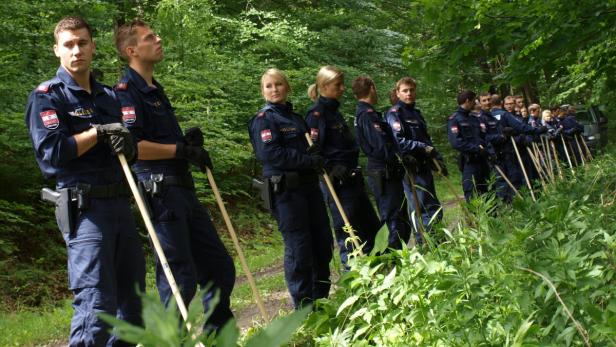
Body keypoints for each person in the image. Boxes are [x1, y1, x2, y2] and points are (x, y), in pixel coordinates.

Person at [25, 16, 145, 346]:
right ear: (57, 51)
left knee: (132, 308)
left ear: (93, 46)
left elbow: (125, 151)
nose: (76, 50)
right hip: (86, 210)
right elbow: (52, 152)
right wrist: (97, 133)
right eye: (69, 45)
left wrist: (128, 146)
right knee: (97, 307)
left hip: (121, 205)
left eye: (82, 43)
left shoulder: (108, 96)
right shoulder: (49, 97)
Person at [113, 20, 235, 330]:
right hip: (160, 194)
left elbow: (164, 141)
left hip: (184, 191)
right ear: (131, 50)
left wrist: (187, 146)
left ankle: (217, 335)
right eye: (149, 37)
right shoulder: (126, 92)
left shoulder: (155, 89)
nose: (158, 39)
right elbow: (134, 147)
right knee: (179, 277)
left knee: (219, 267)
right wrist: (180, 151)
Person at [248, 68, 332, 308]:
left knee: (322, 243)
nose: (274, 89)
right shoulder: (264, 119)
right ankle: (304, 308)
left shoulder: (296, 118)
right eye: (269, 86)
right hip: (286, 193)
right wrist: (308, 160)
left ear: (287, 87)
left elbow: (309, 148)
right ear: (263, 91)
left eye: (278, 84)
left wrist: (315, 154)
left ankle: (321, 302)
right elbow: (271, 154)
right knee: (300, 249)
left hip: (309, 189)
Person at [305, 66, 380, 265]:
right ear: (324, 86)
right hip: (337, 184)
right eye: (338, 85)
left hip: (353, 180)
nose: (343, 88)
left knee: (372, 228)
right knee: (350, 235)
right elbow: (314, 151)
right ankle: (356, 283)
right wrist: (331, 168)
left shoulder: (335, 112)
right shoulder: (316, 115)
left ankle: (378, 276)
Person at [352, 76, 409, 249]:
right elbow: (380, 145)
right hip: (383, 171)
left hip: (386, 170)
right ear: (372, 88)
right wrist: (396, 159)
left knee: (398, 214)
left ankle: (399, 255)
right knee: (392, 217)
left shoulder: (368, 113)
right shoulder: (367, 115)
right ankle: (392, 258)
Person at [385, 77, 444, 235]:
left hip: (424, 165)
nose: (409, 93)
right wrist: (422, 147)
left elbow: (426, 139)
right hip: (411, 167)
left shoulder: (416, 114)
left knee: (433, 205)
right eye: (405, 91)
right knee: (421, 206)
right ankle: (424, 242)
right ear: (398, 93)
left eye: (411, 90)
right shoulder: (394, 114)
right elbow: (399, 141)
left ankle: (438, 240)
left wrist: (437, 159)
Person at [489, 95, 546, 202]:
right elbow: (521, 128)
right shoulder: (503, 115)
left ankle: (516, 202)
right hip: (508, 151)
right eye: (507, 104)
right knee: (514, 178)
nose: (510, 106)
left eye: (511, 104)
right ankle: (518, 202)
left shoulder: (487, 116)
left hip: (502, 151)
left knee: (510, 178)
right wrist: (538, 130)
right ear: (502, 103)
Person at [447, 90, 490, 202]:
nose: (475, 104)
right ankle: (475, 218)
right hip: (469, 162)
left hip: (482, 161)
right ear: (467, 101)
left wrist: (486, 150)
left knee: (486, 191)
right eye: (473, 101)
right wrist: (476, 149)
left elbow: (482, 137)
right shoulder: (454, 119)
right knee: (471, 192)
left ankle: (491, 218)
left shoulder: (474, 119)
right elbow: (456, 143)